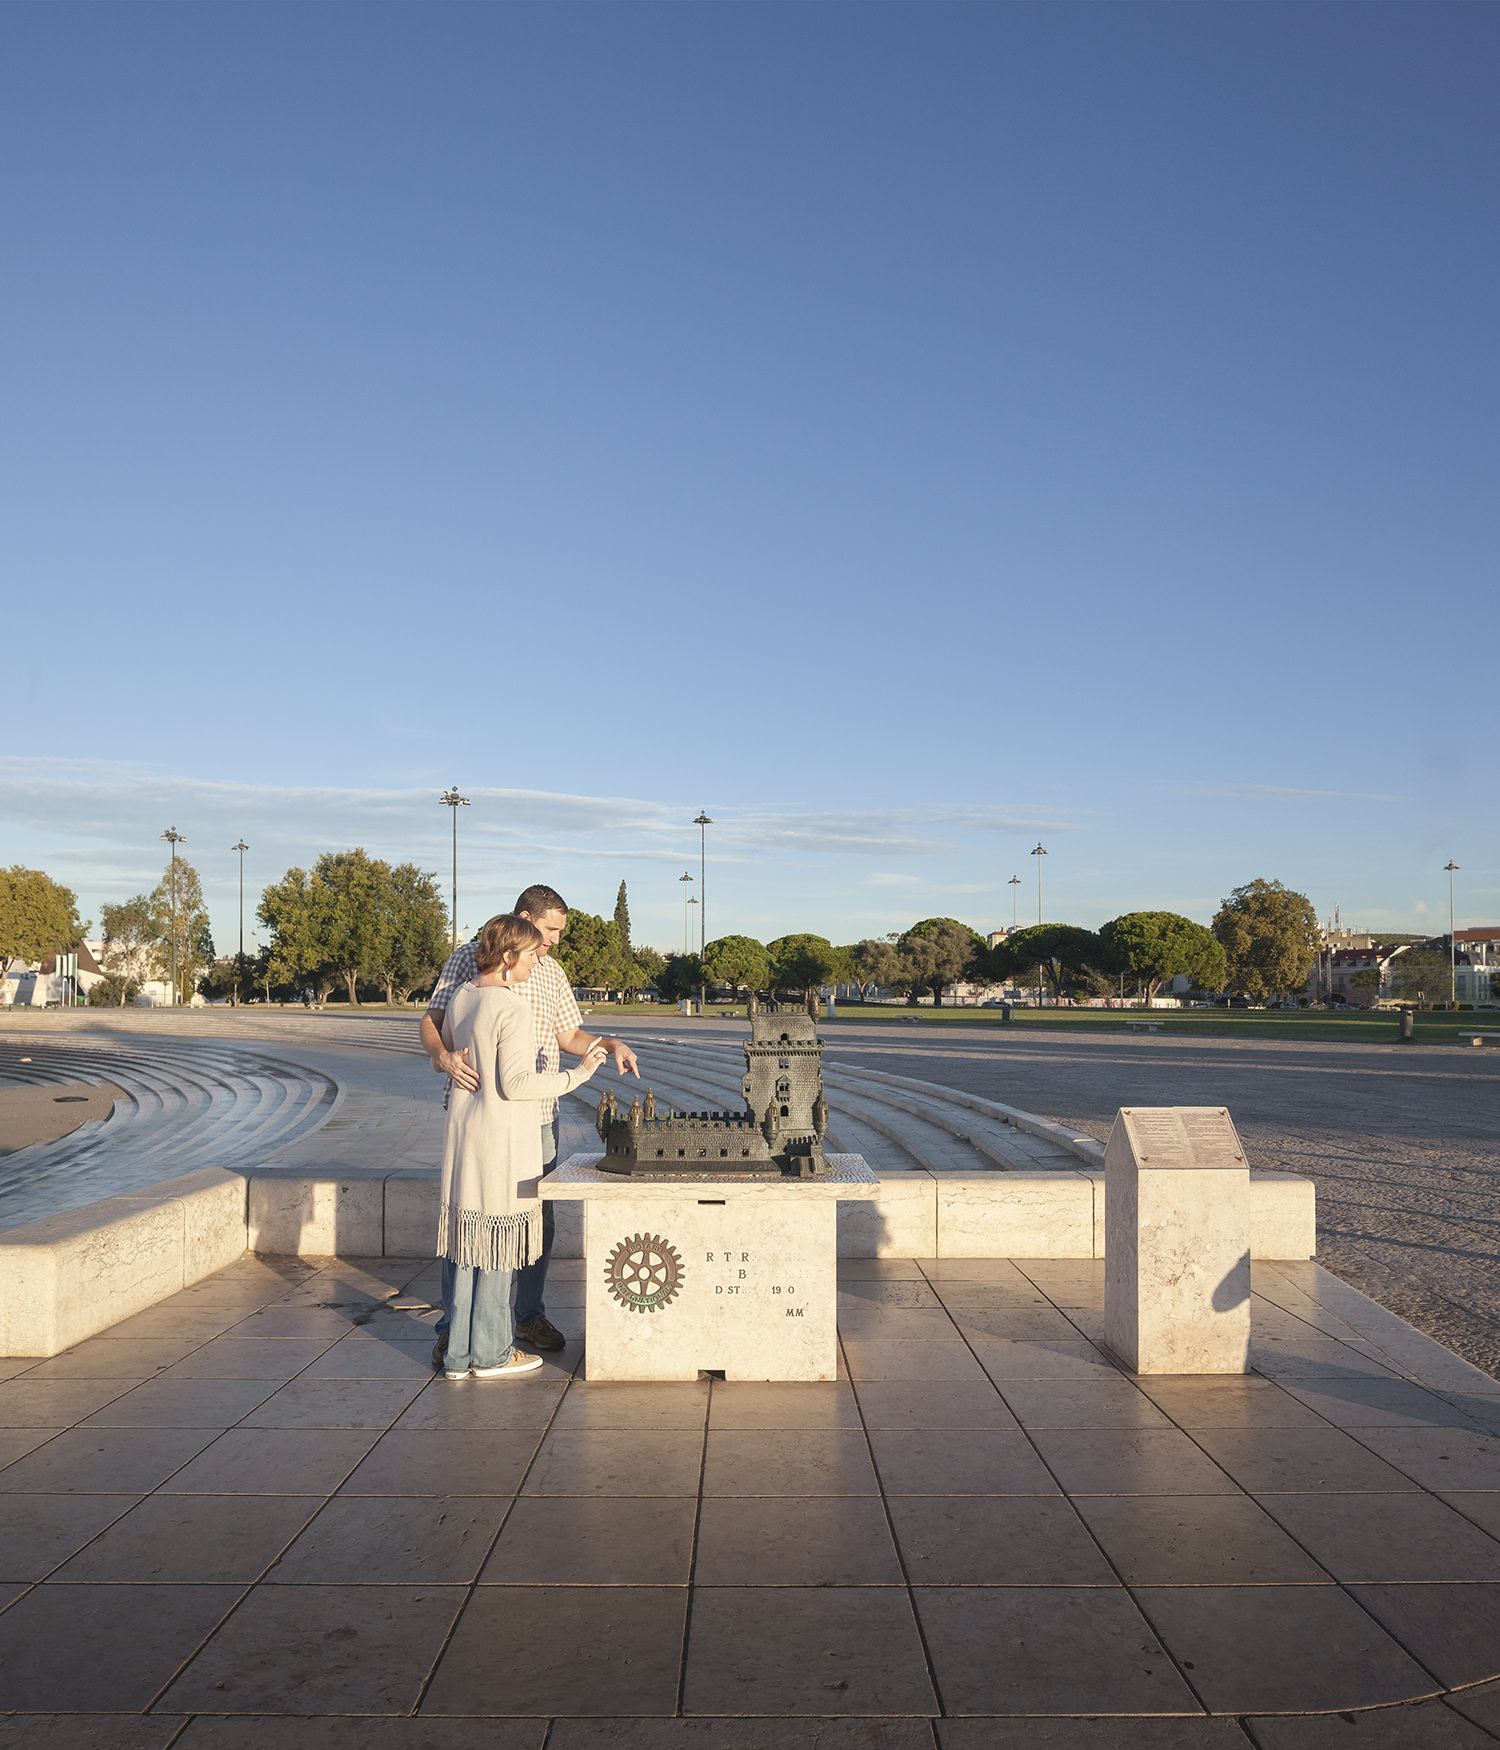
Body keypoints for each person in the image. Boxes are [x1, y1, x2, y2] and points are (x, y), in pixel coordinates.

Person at [422, 883, 639, 1364]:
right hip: (488, 1115)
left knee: (534, 1220)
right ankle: (456, 1328)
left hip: (537, 1118)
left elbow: (570, 1034)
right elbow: (432, 1019)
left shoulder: (552, 972)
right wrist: (441, 1057)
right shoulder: (468, 961)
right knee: (474, 1220)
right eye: (550, 929)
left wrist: (609, 1044)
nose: (556, 941)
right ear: (523, 921)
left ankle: (523, 1316)